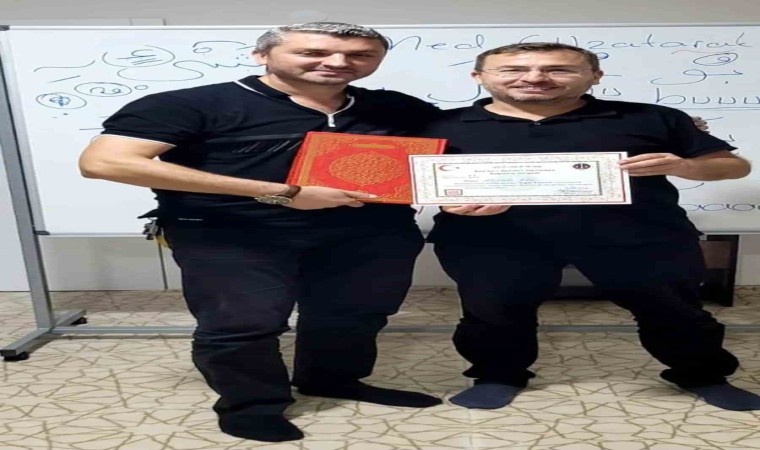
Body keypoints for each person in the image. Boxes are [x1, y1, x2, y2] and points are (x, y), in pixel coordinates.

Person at [78, 22, 444, 443]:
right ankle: (251, 405)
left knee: (354, 313)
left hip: (370, 232)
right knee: (243, 323)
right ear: (261, 55)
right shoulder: (189, 104)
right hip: (232, 233)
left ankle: (332, 380)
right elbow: (104, 163)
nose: (337, 62)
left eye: (360, 55)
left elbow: (456, 150)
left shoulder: (396, 108)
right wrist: (284, 193)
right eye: (313, 52)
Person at [418, 42, 760, 412]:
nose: (535, 78)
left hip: (639, 235)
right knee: (493, 311)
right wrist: (447, 201)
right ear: (479, 76)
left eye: (558, 69)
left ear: (595, 76)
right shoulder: (437, 126)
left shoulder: (651, 118)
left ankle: (704, 375)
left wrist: (684, 166)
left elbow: (734, 166)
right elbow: (407, 180)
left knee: (674, 309)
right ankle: (497, 375)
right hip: (491, 238)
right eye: (513, 69)